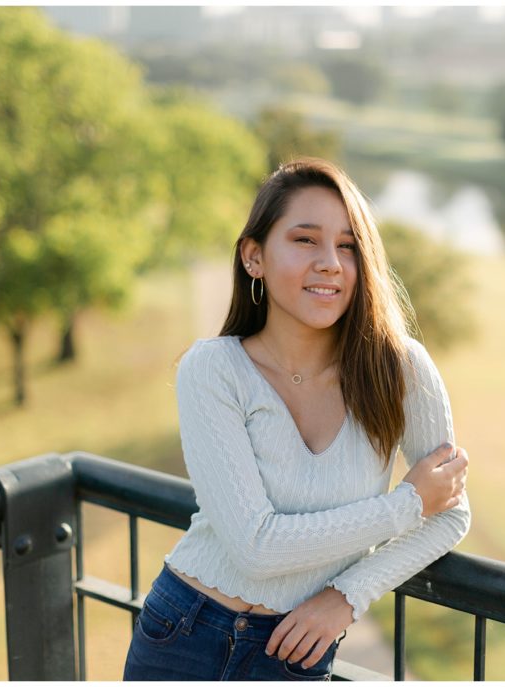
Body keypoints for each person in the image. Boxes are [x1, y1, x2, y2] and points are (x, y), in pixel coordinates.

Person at [123, 158, 471, 681]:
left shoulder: (401, 369)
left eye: (348, 245)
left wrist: (347, 597)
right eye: (305, 240)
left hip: (297, 652)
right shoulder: (214, 369)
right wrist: (408, 503)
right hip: (184, 635)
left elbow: (451, 514)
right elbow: (256, 548)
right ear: (254, 256)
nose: (330, 262)